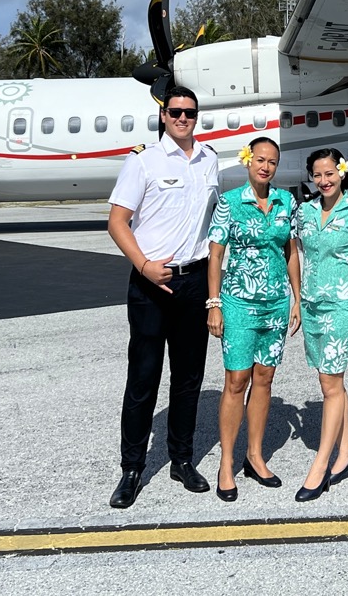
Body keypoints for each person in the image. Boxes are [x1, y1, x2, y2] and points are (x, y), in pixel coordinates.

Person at [106, 86, 219, 509]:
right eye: (176, 112)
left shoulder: (209, 160)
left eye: (190, 112)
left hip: (193, 280)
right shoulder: (143, 160)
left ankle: (182, 460)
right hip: (152, 283)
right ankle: (132, 469)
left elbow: (212, 222)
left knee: (189, 378)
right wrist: (143, 265)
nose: (183, 118)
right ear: (164, 114)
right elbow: (117, 221)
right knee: (144, 378)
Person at [206, 136, 298, 502]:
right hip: (239, 302)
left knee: (264, 378)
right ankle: (226, 462)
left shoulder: (285, 201)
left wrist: (297, 297)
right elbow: (215, 256)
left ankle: (254, 455)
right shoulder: (229, 204)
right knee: (236, 380)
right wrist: (213, 303)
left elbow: (291, 250)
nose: (266, 167)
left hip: (275, 303)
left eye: (272, 162)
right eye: (260, 160)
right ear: (247, 161)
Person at [290, 147, 348, 502]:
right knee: (332, 383)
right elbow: (294, 251)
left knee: (330, 383)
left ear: (342, 173)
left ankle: (321, 464)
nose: (324, 181)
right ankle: (347, 453)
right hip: (310, 305)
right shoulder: (304, 213)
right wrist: (297, 298)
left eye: (330, 173)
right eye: (318, 175)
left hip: (341, 306)